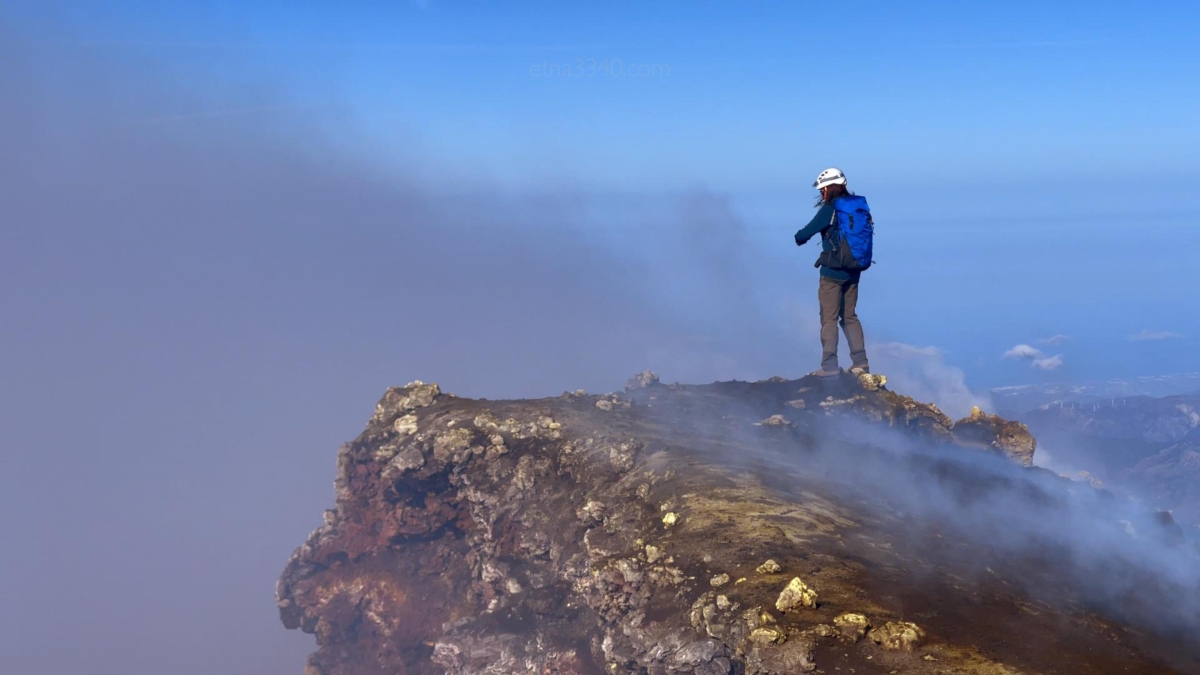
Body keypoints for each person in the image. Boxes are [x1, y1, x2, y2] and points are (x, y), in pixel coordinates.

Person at [793, 167, 871, 377]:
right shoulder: (858, 206)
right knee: (850, 317)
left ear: (828, 188)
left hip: (832, 274)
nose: (821, 193)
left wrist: (799, 237)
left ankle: (829, 366)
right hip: (854, 271)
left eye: (822, 190)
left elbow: (804, 234)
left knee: (829, 319)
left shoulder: (830, 209)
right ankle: (861, 363)